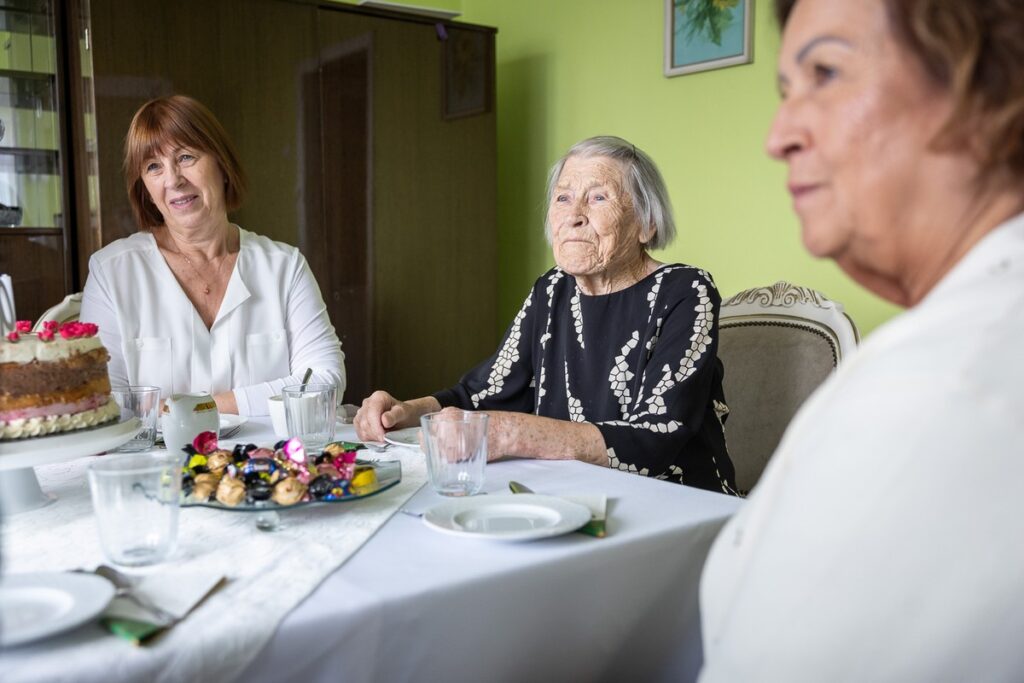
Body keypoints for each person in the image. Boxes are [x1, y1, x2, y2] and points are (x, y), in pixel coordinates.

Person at [699, 0, 1024, 680]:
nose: (778, 134)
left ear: (984, 88)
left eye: (826, 72)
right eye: (786, 91)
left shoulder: (943, 392)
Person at [356, 136, 737, 493]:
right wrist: (410, 412)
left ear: (646, 223)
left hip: (679, 506)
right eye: (563, 199)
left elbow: (656, 434)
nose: (574, 215)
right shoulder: (552, 290)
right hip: (572, 497)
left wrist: (508, 434)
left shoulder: (686, 291)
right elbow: (485, 392)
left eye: (599, 198)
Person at [80, 95, 344, 416]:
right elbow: (104, 403)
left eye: (187, 157)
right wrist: (264, 398)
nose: (173, 179)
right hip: (160, 465)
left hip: (267, 462)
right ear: (145, 188)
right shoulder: (112, 272)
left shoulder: (284, 267)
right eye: (154, 167)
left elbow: (326, 382)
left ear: (222, 163)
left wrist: (195, 408)